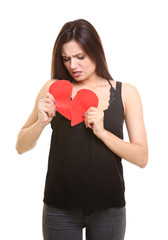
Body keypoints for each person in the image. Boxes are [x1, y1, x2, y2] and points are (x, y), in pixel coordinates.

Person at [16, 19, 148, 240]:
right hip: (59, 210)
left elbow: (142, 157)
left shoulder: (127, 93)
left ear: (97, 51)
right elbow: (21, 146)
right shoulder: (52, 90)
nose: (73, 66)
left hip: (110, 210)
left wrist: (103, 133)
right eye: (66, 59)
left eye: (80, 57)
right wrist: (41, 122)